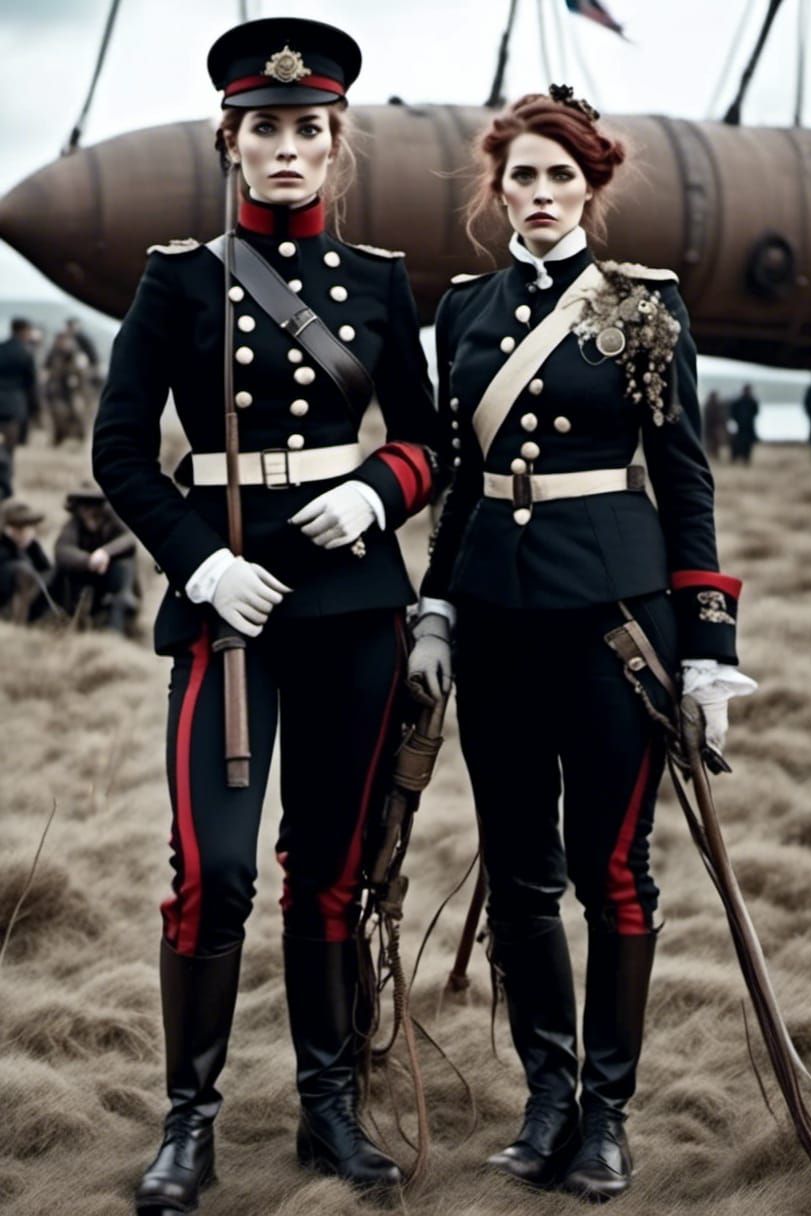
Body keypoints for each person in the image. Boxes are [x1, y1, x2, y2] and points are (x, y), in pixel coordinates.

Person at [93, 17, 438, 1212]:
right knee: (214, 873)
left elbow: (426, 439)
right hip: (229, 604)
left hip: (350, 606)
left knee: (329, 874)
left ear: (335, 145)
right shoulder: (178, 275)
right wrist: (195, 566)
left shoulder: (383, 280)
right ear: (229, 142)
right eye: (263, 130)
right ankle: (188, 1122)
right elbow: (121, 449)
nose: (285, 148)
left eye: (308, 130)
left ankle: (327, 1109)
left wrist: (376, 488)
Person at [407, 86, 756, 1202]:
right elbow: (459, 479)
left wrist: (706, 645)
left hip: (614, 621)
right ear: (497, 188)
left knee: (612, 869)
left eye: (563, 177)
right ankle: (545, 1092)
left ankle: (606, 1112)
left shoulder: (644, 306)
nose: (543, 194)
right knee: (518, 873)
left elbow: (684, 476)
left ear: (590, 187)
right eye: (524, 177)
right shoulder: (463, 309)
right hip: (497, 623)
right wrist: (435, 608)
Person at [53, 483, 139, 633]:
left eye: (93, 507)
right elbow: (62, 550)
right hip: (83, 576)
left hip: (113, 577)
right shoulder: (73, 525)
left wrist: (105, 552)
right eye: (84, 508)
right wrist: (88, 561)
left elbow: (130, 539)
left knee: (124, 570)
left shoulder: (113, 519)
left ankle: (116, 631)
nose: (89, 512)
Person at [0, 499, 55, 624]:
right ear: (8, 529)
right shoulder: (4, 547)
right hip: (5, 600)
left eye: (28, 527)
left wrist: (30, 546)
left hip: (32, 604)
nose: (26, 532)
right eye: (20, 528)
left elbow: (46, 569)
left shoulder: (30, 546)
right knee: (22, 571)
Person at [0, 318, 40, 470]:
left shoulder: (1, 348)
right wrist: (36, 409)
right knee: (9, 448)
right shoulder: (25, 353)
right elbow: (31, 385)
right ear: (24, 331)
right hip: (14, 406)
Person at [44, 330, 86, 444]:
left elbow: (81, 372)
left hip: (72, 390)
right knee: (56, 415)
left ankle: (79, 437)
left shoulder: (74, 354)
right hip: (57, 389)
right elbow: (47, 368)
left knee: (76, 413)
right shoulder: (53, 353)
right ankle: (58, 438)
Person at [729, 383, 759, 464]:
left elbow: (755, 412)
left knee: (748, 446)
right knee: (738, 444)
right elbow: (733, 413)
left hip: (749, 428)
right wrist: (738, 421)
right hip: (740, 428)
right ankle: (736, 459)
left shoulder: (752, 402)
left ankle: (746, 460)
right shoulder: (738, 402)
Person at [702, 389, 728, 460]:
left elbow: (722, 417)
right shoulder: (708, 405)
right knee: (710, 442)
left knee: (716, 443)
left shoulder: (719, 405)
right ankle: (711, 455)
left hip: (716, 427)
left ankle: (715, 455)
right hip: (710, 427)